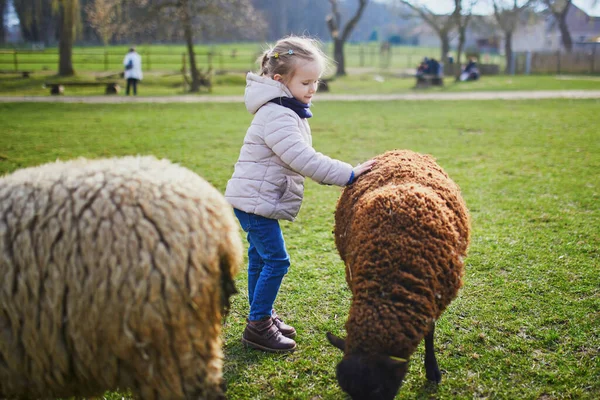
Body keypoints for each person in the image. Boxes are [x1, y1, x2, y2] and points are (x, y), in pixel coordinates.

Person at [224, 36, 375, 353]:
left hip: (254, 199)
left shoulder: (283, 107)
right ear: (279, 80)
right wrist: (347, 174)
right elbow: (302, 157)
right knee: (277, 261)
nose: (312, 89)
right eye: (306, 82)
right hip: (255, 203)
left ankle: (260, 315)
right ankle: (258, 327)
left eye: (316, 81)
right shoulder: (277, 114)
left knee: (260, 260)